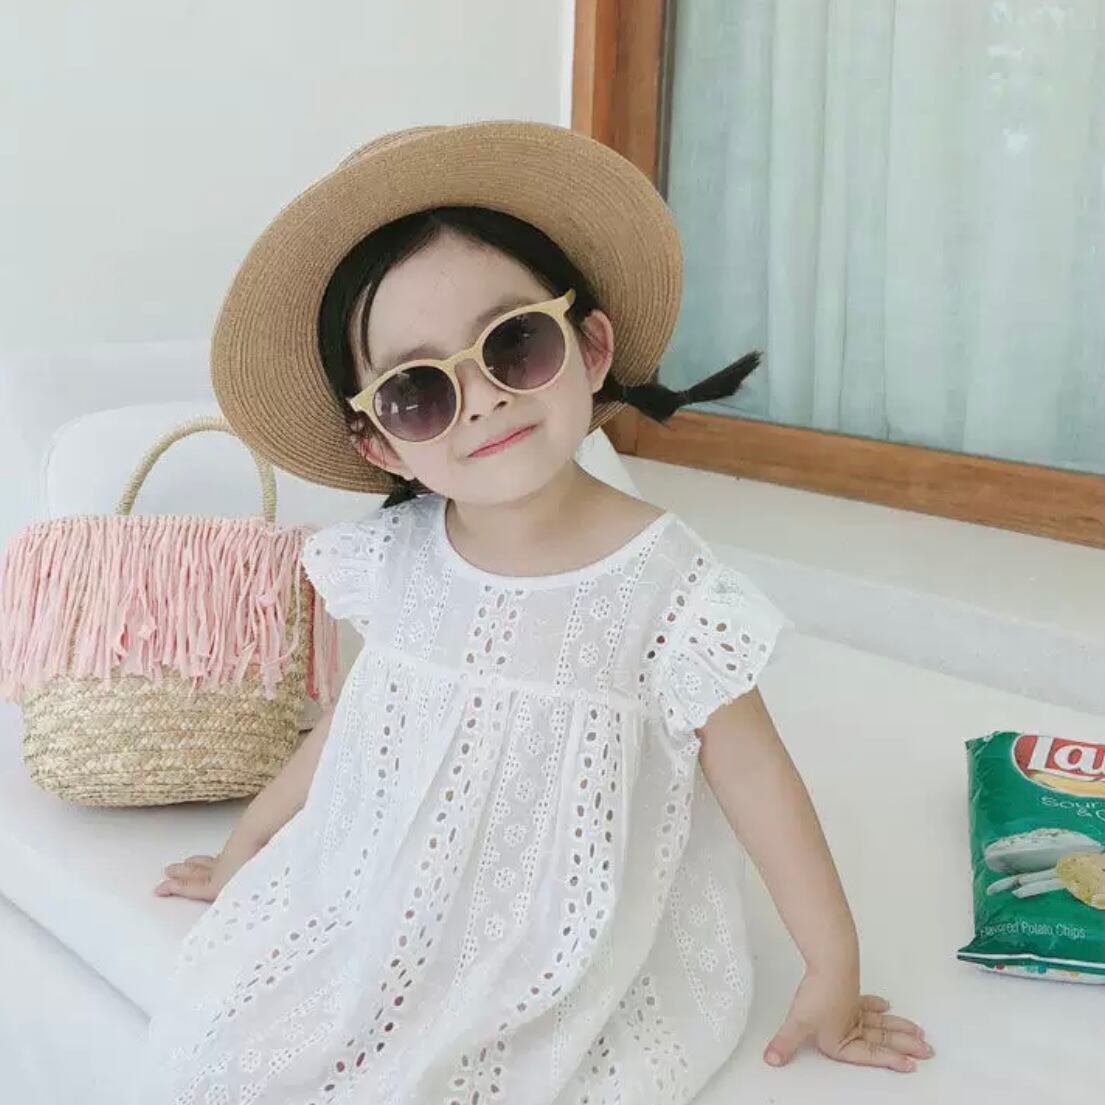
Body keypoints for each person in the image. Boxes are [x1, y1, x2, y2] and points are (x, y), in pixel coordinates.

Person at [147, 122, 931, 1103]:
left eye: (513, 345)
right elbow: (361, 727)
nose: (479, 399)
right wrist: (248, 847)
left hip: (565, 928)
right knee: (233, 1052)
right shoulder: (399, 560)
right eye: (417, 391)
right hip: (387, 887)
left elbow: (759, 781)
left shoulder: (666, 587)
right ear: (379, 443)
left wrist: (832, 967)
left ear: (589, 348)